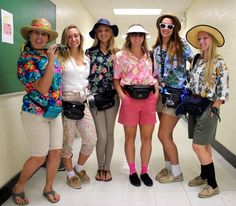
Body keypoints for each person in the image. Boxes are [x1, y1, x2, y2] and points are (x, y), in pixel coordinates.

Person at [13, 18, 63, 205]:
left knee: (56, 152)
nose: (40, 36)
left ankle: (48, 187)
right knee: (39, 156)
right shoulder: (26, 59)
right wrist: (51, 60)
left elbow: (57, 83)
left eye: (44, 34)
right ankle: (18, 187)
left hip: (54, 112)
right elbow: (42, 88)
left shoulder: (49, 56)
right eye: (36, 33)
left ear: (48, 37)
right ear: (30, 35)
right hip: (35, 113)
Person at [185, 24, 229, 198]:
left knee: (198, 145)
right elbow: (192, 82)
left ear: (212, 41)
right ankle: (204, 176)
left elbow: (223, 89)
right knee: (205, 145)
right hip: (195, 104)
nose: (202, 41)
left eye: (206, 38)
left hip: (209, 107)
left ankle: (213, 184)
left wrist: (215, 107)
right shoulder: (198, 60)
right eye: (200, 39)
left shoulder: (219, 63)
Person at [114, 24, 159, 187]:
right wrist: (121, 95)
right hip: (129, 98)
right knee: (130, 138)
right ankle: (132, 171)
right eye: (134, 35)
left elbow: (155, 75)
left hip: (148, 99)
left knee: (147, 138)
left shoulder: (150, 55)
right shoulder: (120, 56)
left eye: (140, 35)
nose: (137, 37)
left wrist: (156, 92)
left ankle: (144, 171)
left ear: (143, 37)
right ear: (129, 37)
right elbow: (116, 78)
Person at [152, 14, 194, 183]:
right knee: (166, 135)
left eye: (170, 26)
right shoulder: (156, 48)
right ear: (159, 26)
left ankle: (177, 172)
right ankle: (168, 167)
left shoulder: (181, 44)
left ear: (175, 28)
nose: (166, 29)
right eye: (163, 25)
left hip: (176, 94)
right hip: (161, 94)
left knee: (163, 134)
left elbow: (194, 60)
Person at [58, 25, 97, 189]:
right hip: (67, 101)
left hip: (82, 102)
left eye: (76, 36)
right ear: (65, 39)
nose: (73, 39)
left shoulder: (86, 58)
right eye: (69, 36)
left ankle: (78, 168)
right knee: (67, 142)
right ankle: (70, 174)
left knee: (90, 139)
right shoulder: (61, 58)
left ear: (80, 37)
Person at [85, 18, 120, 182]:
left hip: (113, 97)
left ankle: (107, 168)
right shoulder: (89, 53)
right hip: (95, 98)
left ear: (111, 32)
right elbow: (84, 75)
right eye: (100, 31)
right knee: (102, 136)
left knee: (110, 134)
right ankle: (100, 167)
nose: (103, 33)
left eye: (106, 30)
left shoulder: (118, 53)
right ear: (96, 34)